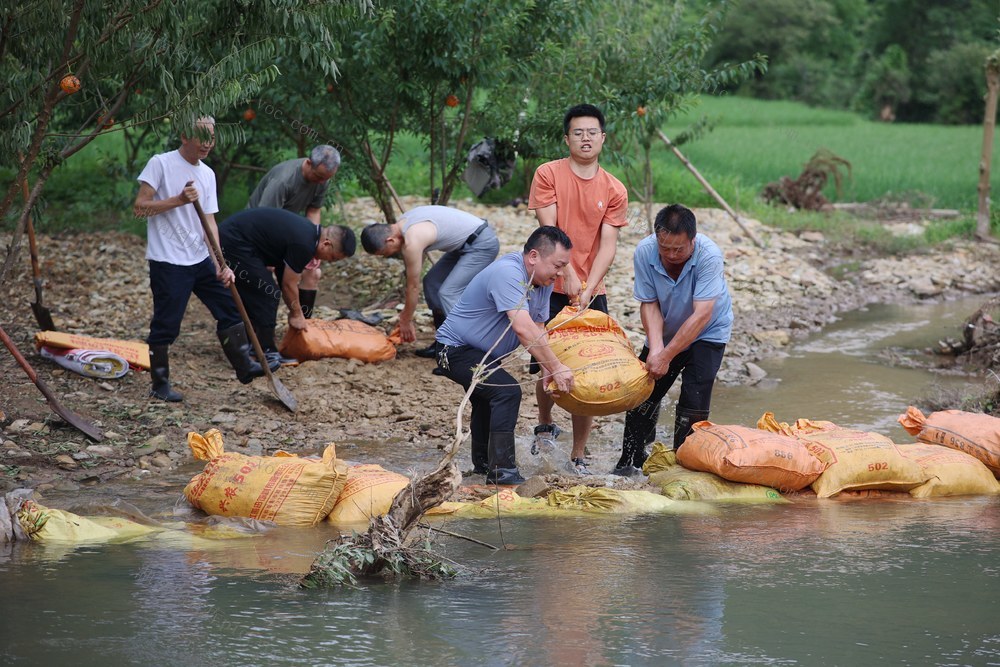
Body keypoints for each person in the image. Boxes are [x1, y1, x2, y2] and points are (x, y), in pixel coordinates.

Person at [134, 116, 266, 402]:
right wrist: (178, 200)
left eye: (212, 138)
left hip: (199, 260)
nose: (208, 144)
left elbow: (210, 222)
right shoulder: (161, 163)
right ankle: (159, 385)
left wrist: (220, 262)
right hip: (167, 261)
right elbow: (140, 208)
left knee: (229, 308)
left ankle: (244, 366)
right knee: (167, 324)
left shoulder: (207, 174)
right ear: (184, 136)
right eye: (201, 137)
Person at [528, 103, 629, 475]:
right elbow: (548, 232)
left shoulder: (614, 188)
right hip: (546, 284)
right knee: (547, 362)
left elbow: (609, 245)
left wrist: (588, 287)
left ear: (603, 138)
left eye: (592, 133)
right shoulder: (547, 174)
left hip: (591, 291)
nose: (585, 139)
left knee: (587, 368)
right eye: (577, 133)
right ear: (567, 138)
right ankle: (543, 422)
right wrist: (568, 273)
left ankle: (579, 454)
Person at [435, 226, 576, 485]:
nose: (560, 274)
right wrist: (557, 367)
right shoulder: (508, 273)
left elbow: (539, 329)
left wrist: (548, 370)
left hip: (484, 356)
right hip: (453, 350)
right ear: (533, 256)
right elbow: (522, 328)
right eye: (558, 265)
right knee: (506, 391)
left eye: (564, 267)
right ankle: (503, 474)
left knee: (487, 398)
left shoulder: (541, 280)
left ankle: (483, 467)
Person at [613, 204, 733, 476]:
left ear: (693, 239)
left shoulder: (709, 255)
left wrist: (667, 356)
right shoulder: (645, 251)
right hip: (666, 328)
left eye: (679, 249)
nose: (671, 255)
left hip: (708, 331)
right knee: (643, 392)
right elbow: (649, 303)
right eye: (665, 248)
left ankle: (684, 464)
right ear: (657, 238)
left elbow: (702, 314)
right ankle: (630, 460)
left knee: (694, 398)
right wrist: (656, 349)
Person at [218, 207, 356, 367]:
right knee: (267, 293)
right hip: (234, 242)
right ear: (326, 244)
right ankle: (264, 352)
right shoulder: (305, 244)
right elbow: (288, 285)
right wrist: (297, 314)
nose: (328, 261)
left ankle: (249, 346)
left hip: (239, 240)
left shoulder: (309, 234)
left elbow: (285, 274)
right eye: (332, 258)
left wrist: (297, 312)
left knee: (259, 292)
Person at [359, 205, 499, 356]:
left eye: (385, 253)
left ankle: (466, 351)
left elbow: (413, 287)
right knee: (431, 282)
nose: (388, 255)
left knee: (448, 293)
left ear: (390, 240)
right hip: (463, 244)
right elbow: (415, 277)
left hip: (482, 244)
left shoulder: (412, 241)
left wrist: (405, 320)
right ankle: (442, 343)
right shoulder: (404, 222)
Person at [247, 145, 341, 320]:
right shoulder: (284, 181)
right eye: (319, 177)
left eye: (326, 179)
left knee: (312, 272)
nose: (321, 182)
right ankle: (259, 335)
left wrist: (313, 246)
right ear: (308, 163)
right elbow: (265, 220)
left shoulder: (323, 179)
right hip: (258, 234)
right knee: (266, 288)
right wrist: (271, 259)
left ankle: (304, 326)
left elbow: (313, 211)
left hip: (288, 232)